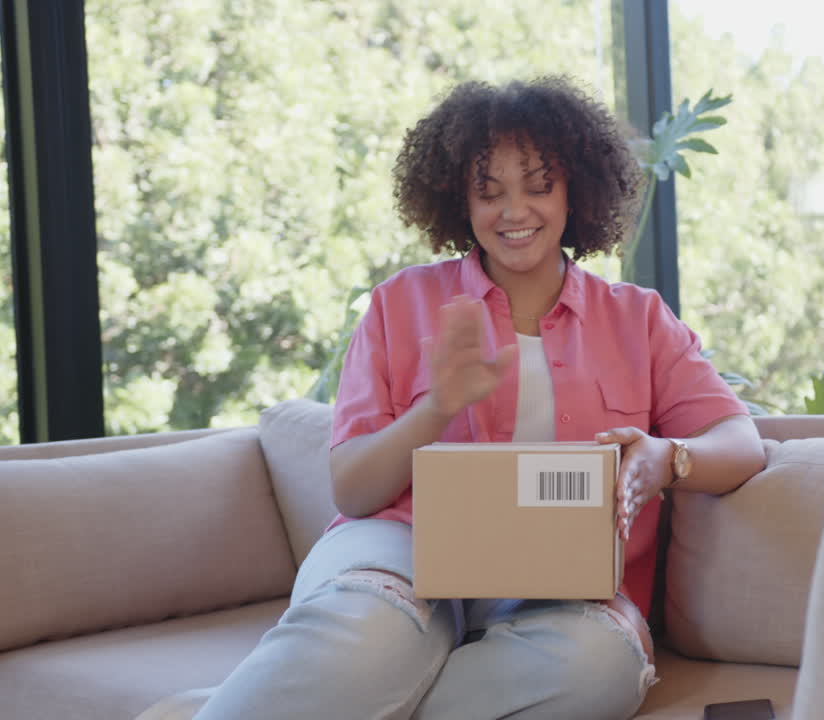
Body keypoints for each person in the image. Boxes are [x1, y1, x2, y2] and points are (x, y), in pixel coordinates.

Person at [139, 76, 765, 720]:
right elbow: (354, 491)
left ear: (576, 189)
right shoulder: (398, 305)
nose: (513, 212)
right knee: (371, 638)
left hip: (564, 582)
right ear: (456, 200)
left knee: (596, 667)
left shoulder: (637, 319)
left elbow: (739, 442)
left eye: (537, 186)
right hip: (400, 546)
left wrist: (667, 458)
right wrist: (434, 408)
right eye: (487, 191)